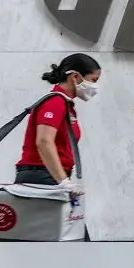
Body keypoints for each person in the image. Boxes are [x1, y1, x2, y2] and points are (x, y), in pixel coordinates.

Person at [15, 53, 100, 195]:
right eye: (93, 80)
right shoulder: (55, 102)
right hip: (42, 176)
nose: (95, 86)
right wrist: (63, 182)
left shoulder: (66, 104)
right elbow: (44, 141)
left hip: (52, 175)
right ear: (75, 77)